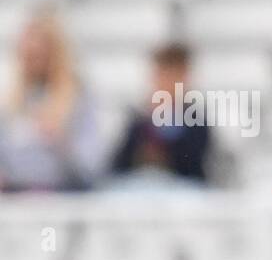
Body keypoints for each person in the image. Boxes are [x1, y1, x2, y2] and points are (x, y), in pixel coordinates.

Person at [0, 11, 101, 192]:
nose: (33, 63)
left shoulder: (78, 98)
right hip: (16, 198)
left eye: (39, 55)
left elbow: (90, 169)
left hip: (62, 198)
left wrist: (60, 140)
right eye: (28, 56)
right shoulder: (12, 101)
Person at [109, 43, 211, 184]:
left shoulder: (196, 121)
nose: (167, 83)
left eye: (174, 77)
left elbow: (195, 164)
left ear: (185, 78)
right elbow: (119, 165)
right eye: (162, 75)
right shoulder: (139, 120)